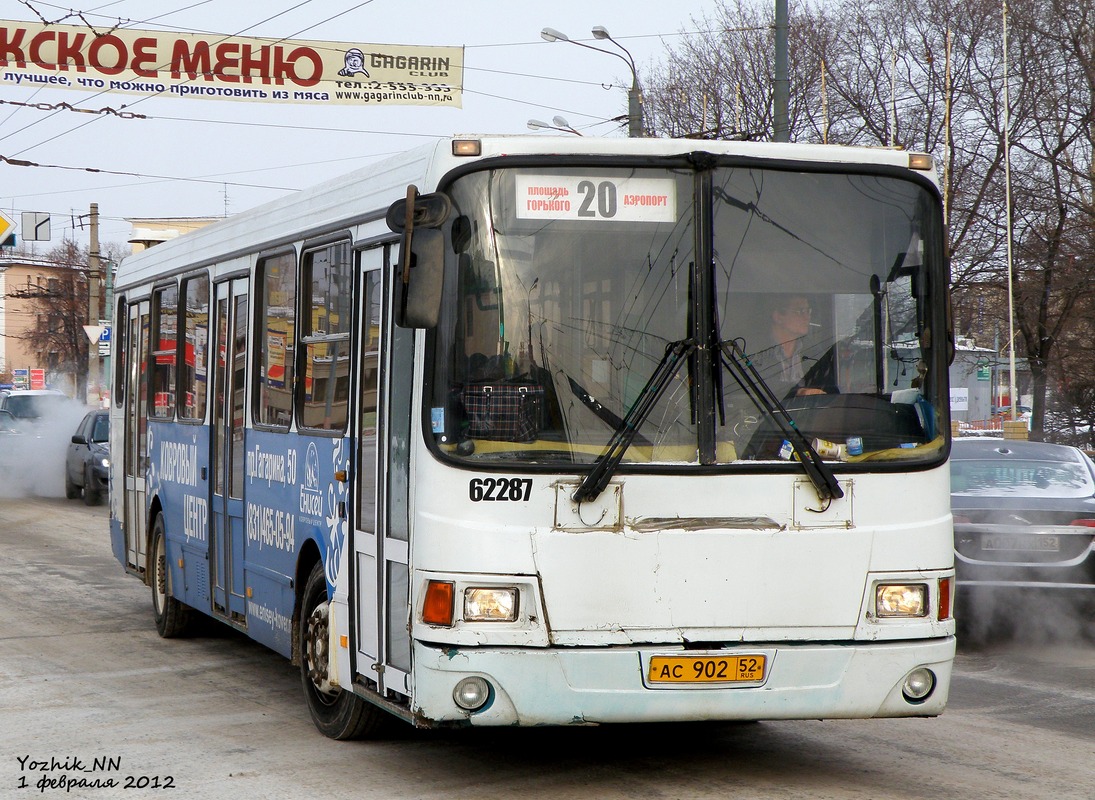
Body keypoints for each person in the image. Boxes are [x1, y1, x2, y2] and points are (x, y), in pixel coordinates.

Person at [751, 294, 826, 399]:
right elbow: (755, 384)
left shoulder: (813, 350)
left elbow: (828, 383)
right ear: (778, 316)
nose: (807, 317)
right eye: (800, 311)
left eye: (808, 311)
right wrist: (799, 392)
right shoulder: (756, 350)